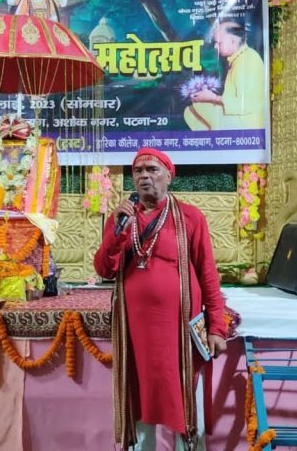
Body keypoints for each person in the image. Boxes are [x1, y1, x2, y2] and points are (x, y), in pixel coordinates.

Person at [94, 148, 227, 451]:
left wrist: (216, 327)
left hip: (179, 330)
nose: (144, 176)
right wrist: (116, 233)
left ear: (169, 176)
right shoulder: (121, 218)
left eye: (152, 170)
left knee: (183, 393)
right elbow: (104, 269)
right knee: (139, 393)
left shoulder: (190, 217)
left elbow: (208, 274)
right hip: (136, 331)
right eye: (138, 171)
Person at [183, 21, 267, 131]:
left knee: (199, 105)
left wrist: (214, 98)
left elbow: (250, 104)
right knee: (190, 111)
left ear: (233, 41)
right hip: (237, 118)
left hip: (246, 125)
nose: (215, 46)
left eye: (219, 43)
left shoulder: (248, 61)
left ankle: (221, 136)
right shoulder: (239, 59)